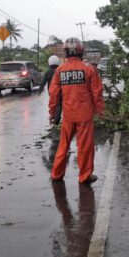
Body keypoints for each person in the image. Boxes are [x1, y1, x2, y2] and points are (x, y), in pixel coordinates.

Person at [48, 37, 105, 183]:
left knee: (63, 145)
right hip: (84, 116)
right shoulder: (88, 69)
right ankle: (84, 176)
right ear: (80, 51)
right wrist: (100, 112)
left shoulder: (60, 70)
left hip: (68, 116)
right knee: (85, 147)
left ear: (66, 51)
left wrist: (52, 114)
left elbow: (53, 94)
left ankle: (56, 174)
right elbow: (97, 93)